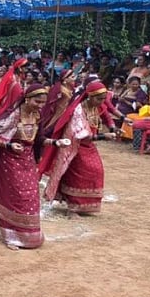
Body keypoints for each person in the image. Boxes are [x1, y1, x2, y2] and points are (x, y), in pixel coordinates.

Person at [0, 84, 62, 250]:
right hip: (9, 161)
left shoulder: (36, 115)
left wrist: (55, 143)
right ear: (27, 99)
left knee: (30, 196)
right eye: (37, 101)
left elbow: (39, 139)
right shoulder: (14, 115)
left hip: (27, 160)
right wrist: (9, 145)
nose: (40, 105)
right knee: (14, 196)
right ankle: (11, 236)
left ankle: (30, 235)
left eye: (43, 102)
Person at [39, 81, 116, 215]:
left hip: (89, 145)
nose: (102, 102)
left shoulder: (96, 106)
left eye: (104, 99)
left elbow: (107, 116)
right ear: (90, 96)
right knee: (82, 173)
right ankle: (73, 208)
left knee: (97, 171)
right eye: (99, 99)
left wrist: (113, 128)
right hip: (75, 147)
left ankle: (85, 205)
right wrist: (104, 136)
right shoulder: (78, 111)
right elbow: (81, 135)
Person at [38, 69, 76, 135]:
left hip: (66, 113)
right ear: (65, 79)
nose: (74, 79)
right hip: (58, 113)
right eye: (72, 77)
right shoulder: (60, 89)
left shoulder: (70, 88)